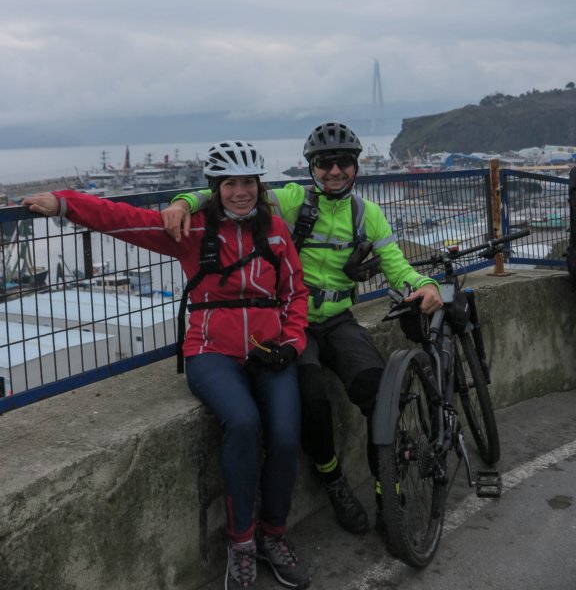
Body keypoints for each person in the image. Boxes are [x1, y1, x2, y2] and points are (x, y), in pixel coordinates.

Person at [23, 140, 311, 590]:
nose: (240, 192)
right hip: (211, 351)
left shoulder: (275, 230)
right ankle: (241, 543)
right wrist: (64, 204)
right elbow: (123, 220)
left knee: (287, 434)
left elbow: (295, 293)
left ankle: (273, 534)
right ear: (214, 188)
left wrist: (291, 344)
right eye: (229, 184)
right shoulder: (191, 229)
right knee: (242, 422)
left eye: (248, 183)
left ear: (259, 185)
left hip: (270, 349)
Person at [161, 122, 443, 535]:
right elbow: (234, 193)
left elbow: (396, 265)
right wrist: (184, 201)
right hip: (293, 324)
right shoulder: (293, 200)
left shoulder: (368, 214)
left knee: (380, 391)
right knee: (310, 396)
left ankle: (387, 488)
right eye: (325, 163)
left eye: (343, 162)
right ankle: (332, 476)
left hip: (339, 319)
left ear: (355, 166)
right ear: (312, 167)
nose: (335, 171)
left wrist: (425, 284)